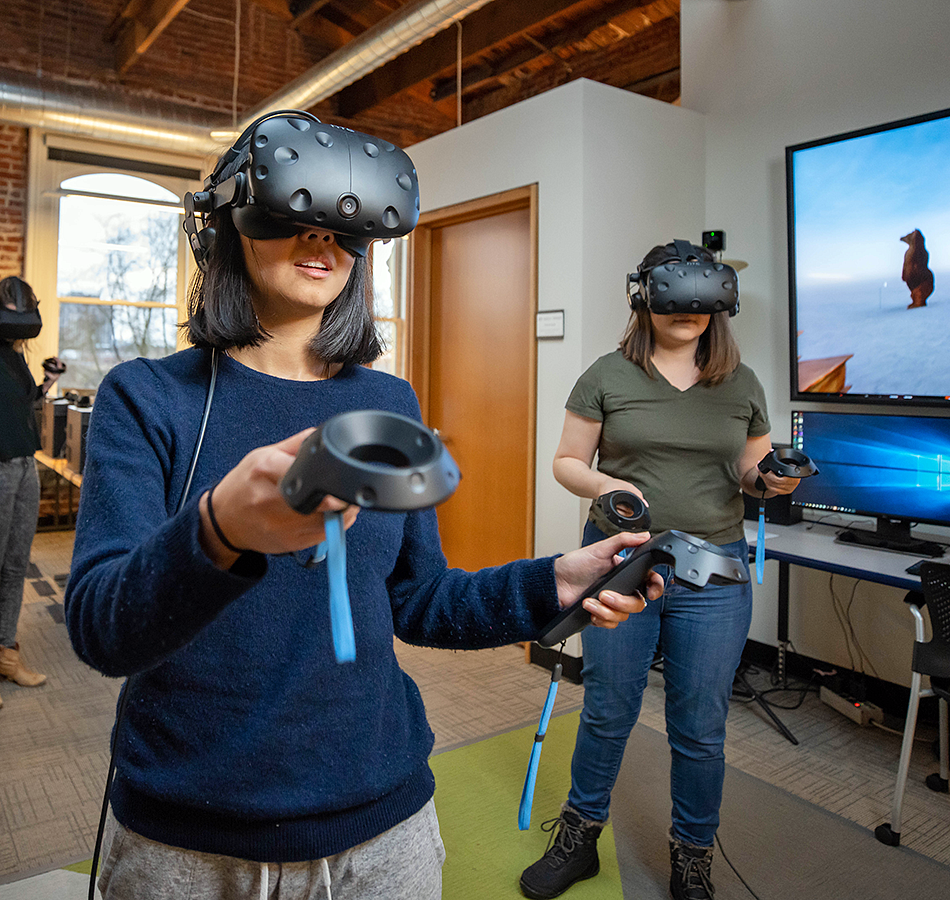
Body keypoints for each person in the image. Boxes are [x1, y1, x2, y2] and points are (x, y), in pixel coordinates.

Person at [63, 113, 663, 900]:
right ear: (222, 227)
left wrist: (550, 584)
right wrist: (219, 531)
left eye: (348, 233)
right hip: (189, 842)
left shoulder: (388, 401)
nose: (322, 243)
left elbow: (417, 599)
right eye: (293, 214)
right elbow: (104, 627)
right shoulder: (149, 399)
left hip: (382, 830)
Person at [519, 241, 802, 900]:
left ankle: (692, 856)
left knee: (700, 726)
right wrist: (604, 484)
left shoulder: (742, 383)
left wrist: (774, 481)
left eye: (705, 300)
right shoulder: (607, 375)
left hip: (717, 571)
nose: (690, 312)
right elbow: (566, 460)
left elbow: (750, 478)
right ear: (645, 296)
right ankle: (580, 835)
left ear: (720, 303)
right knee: (608, 710)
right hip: (623, 561)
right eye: (678, 296)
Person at [0, 275, 66, 708]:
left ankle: (6, 652)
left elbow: (23, 404)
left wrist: (47, 382)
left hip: (26, 463)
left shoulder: (13, 355)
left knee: (15, 562)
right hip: (0, 465)